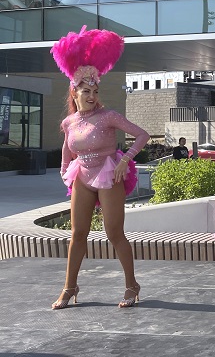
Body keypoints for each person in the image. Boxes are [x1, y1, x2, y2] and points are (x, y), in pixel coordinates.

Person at [50, 26, 150, 310]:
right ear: (75, 92)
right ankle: (70, 287)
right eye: (86, 91)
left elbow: (142, 135)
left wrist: (123, 160)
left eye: (95, 90)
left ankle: (132, 285)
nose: (92, 95)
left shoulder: (108, 116)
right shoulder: (69, 122)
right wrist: (64, 169)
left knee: (114, 233)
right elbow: (68, 147)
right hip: (82, 175)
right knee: (77, 234)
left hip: (108, 173)